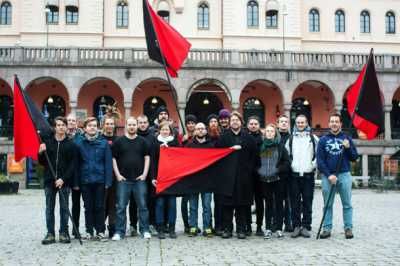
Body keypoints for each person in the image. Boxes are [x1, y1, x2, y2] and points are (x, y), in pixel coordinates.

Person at [216, 111, 257, 239]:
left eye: (237, 120)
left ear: (241, 122)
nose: (234, 122)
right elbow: (217, 155)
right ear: (229, 122)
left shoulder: (248, 138)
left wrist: (248, 170)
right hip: (227, 176)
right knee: (227, 205)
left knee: (242, 204)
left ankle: (241, 229)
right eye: (232, 120)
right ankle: (227, 229)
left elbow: (254, 157)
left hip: (244, 177)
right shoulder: (223, 138)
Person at [317, 114, 358, 239]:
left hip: (344, 174)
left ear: (340, 124)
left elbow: (354, 157)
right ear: (329, 124)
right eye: (332, 121)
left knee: (347, 204)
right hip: (328, 176)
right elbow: (320, 161)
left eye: (336, 121)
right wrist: (329, 175)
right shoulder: (323, 140)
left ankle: (348, 228)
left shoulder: (347, 139)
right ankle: (327, 228)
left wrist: (348, 147)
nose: (334, 124)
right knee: (327, 204)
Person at [111, 117, 151, 241]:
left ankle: (144, 230)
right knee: (121, 207)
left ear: (137, 126)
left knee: (143, 206)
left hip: (139, 179)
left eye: (134, 124)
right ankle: (119, 231)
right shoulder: (119, 141)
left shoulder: (143, 142)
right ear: (126, 126)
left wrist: (144, 174)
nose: (132, 127)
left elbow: (147, 158)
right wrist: (118, 175)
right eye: (130, 124)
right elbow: (113, 159)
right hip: (123, 180)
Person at [39, 116, 77, 245]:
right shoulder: (48, 142)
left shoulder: (71, 144)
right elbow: (43, 163)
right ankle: (50, 233)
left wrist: (63, 179)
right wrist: (40, 152)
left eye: (63, 125)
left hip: (64, 182)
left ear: (66, 127)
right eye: (58, 125)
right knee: (49, 208)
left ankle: (63, 232)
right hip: (50, 181)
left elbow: (73, 166)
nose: (61, 127)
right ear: (55, 127)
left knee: (64, 208)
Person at [76, 117, 112, 241]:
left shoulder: (103, 143)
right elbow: (77, 163)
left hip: (100, 180)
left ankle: (100, 231)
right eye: (90, 125)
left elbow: (108, 163)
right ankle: (89, 230)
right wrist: (77, 181)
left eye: (94, 125)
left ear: (98, 128)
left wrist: (108, 181)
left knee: (99, 206)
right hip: (85, 179)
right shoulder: (79, 143)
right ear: (85, 128)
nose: (92, 127)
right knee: (88, 207)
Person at [285, 114, 318, 238]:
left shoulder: (313, 138)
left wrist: (313, 165)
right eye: (298, 122)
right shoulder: (291, 139)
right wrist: (291, 166)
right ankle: (296, 226)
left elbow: (318, 154)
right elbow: (287, 155)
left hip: (308, 175)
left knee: (307, 201)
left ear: (306, 123)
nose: (300, 124)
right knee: (294, 202)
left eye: (302, 122)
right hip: (294, 175)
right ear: (295, 123)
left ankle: (306, 226)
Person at [258, 123, 291, 239]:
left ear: (275, 133)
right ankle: (267, 228)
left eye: (272, 131)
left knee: (279, 204)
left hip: (278, 179)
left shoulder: (280, 146)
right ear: (265, 133)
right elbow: (256, 162)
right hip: (265, 180)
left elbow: (287, 162)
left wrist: (278, 169)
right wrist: (259, 171)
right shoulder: (261, 146)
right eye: (268, 131)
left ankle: (278, 228)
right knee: (268, 205)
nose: (270, 133)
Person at [152, 121, 180, 239]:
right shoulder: (155, 142)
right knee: (160, 203)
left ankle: (172, 228)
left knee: (172, 204)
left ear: (170, 131)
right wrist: (153, 177)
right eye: (163, 129)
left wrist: (169, 150)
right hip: (160, 178)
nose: (165, 131)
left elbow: (179, 157)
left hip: (172, 178)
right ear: (159, 130)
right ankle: (160, 228)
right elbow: (152, 161)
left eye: (167, 129)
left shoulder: (174, 142)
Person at [186, 122, 214, 237]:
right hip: (193, 181)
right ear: (195, 131)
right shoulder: (189, 145)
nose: (201, 130)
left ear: (206, 131)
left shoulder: (211, 146)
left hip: (207, 181)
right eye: (198, 129)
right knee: (193, 206)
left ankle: (207, 227)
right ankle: (193, 226)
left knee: (207, 206)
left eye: (202, 128)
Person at [134, 115, 158, 235]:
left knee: (150, 200)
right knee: (135, 201)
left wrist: (153, 175)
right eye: (140, 122)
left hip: (150, 174)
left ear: (148, 123)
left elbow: (154, 157)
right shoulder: (134, 136)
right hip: (136, 173)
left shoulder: (153, 138)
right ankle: (134, 225)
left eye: (144, 122)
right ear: (137, 124)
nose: (142, 124)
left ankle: (151, 223)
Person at [66, 114, 83, 239]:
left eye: (73, 120)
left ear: (76, 123)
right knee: (65, 204)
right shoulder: (62, 136)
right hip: (65, 174)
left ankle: (75, 229)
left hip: (78, 173)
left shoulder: (81, 136)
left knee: (76, 203)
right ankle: (64, 229)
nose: (71, 122)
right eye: (69, 120)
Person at [246, 116, 264, 236]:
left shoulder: (263, 138)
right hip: (246, 174)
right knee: (247, 201)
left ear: (259, 125)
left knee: (259, 202)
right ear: (248, 125)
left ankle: (259, 226)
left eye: (255, 124)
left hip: (260, 175)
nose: (253, 125)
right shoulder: (244, 137)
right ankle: (247, 225)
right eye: (251, 124)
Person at [101, 116, 118, 238]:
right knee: (102, 203)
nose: (109, 126)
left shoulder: (118, 140)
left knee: (113, 203)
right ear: (103, 125)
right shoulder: (99, 139)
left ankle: (113, 227)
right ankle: (100, 227)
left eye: (111, 123)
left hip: (115, 176)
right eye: (107, 123)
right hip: (101, 176)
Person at [207, 114, 223, 235]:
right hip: (207, 173)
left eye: (215, 121)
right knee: (206, 203)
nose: (213, 123)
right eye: (211, 121)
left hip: (219, 173)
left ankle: (219, 225)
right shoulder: (205, 137)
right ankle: (208, 224)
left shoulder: (222, 137)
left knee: (219, 201)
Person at [277, 114, 293, 232]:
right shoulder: (274, 137)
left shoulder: (292, 138)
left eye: (285, 122)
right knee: (276, 199)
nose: (283, 123)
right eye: (281, 121)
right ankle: (276, 222)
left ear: (288, 124)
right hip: (276, 173)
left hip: (289, 173)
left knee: (288, 199)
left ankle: (288, 223)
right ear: (278, 124)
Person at [181, 114, 197, 233]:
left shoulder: (199, 137)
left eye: (193, 123)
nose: (191, 125)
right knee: (185, 200)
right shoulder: (182, 137)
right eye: (189, 123)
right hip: (185, 172)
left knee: (195, 202)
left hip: (197, 172)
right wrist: (183, 141)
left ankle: (194, 223)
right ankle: (186, 224)